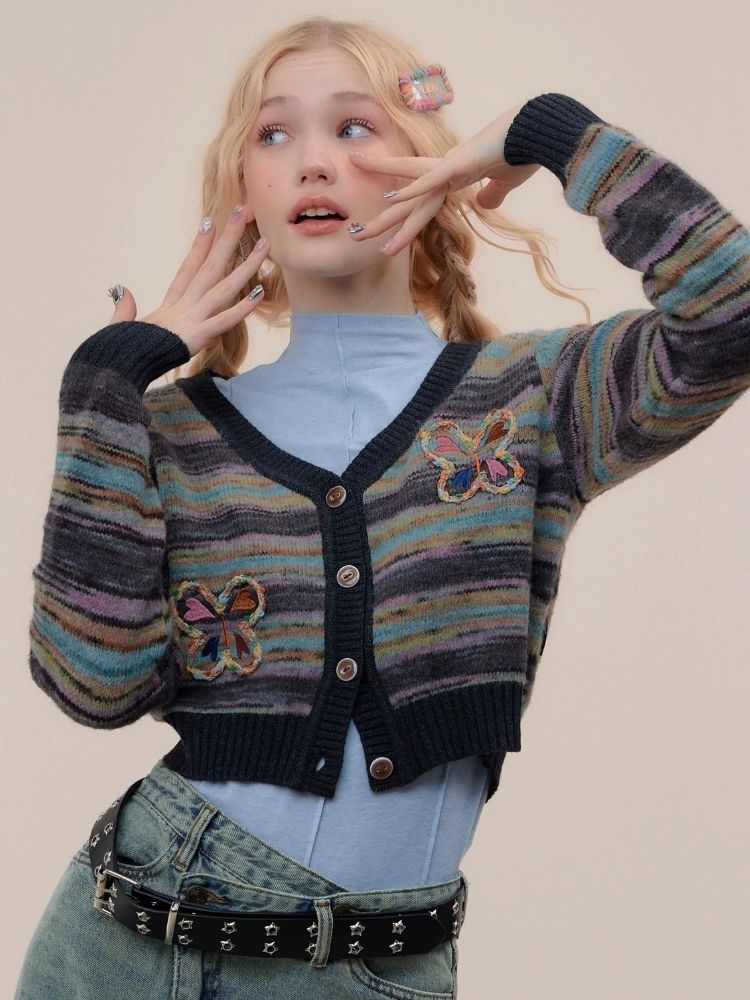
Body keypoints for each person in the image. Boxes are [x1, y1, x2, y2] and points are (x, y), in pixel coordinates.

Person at [15, 14, 750, 1000]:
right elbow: (93, 686)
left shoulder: (526, 403)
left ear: (433, 166)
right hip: (124, 938)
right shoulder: (173, 430)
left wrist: (551, 132)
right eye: (274, 134)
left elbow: (730, 317)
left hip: (372, 963)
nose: (313, 160)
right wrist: (105, 380)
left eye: (353, 126)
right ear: (245, 191)